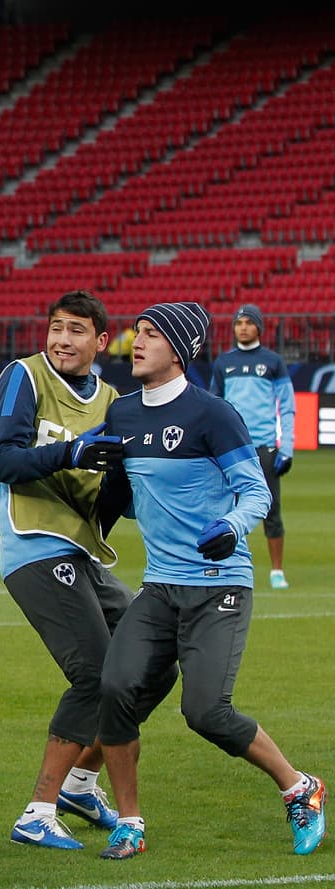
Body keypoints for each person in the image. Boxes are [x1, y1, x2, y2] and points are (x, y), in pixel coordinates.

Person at [95, 301, 325, 860]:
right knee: (114, 690)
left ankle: (301, 788)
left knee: (206, 713)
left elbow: (256, 493)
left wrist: (230, 524)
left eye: (149, 334)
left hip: (220, 583)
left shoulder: (213, 415)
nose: (136, 342)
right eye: (137, 333)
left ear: (178, 349)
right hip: (160, 584)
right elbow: (123, 496)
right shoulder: (123, 414)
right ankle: (129, 822)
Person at [0, 290, 173, 850]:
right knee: (93, 675)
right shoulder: (25, 377)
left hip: (83, 553)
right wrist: (69, 453)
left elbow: (115, 493)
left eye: (75, 331)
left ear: (100, 340)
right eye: (55, 328)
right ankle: (37, 811)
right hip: (34, 546)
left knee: (157, 659)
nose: (61, 340)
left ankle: (81, 782)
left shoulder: (113, 399)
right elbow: (2, 459)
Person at [209, 303, 296, 590]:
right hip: (231, 449)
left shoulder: (273, 362)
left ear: (259, 327)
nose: (242, 327)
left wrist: (287, 448)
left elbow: (287, 405)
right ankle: (230, 564)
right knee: (226, 508)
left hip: (263, 447)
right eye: (238, 323)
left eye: (248, 322)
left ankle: (277, 571)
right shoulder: (223, 363)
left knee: (271, 510)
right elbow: (213, 406)